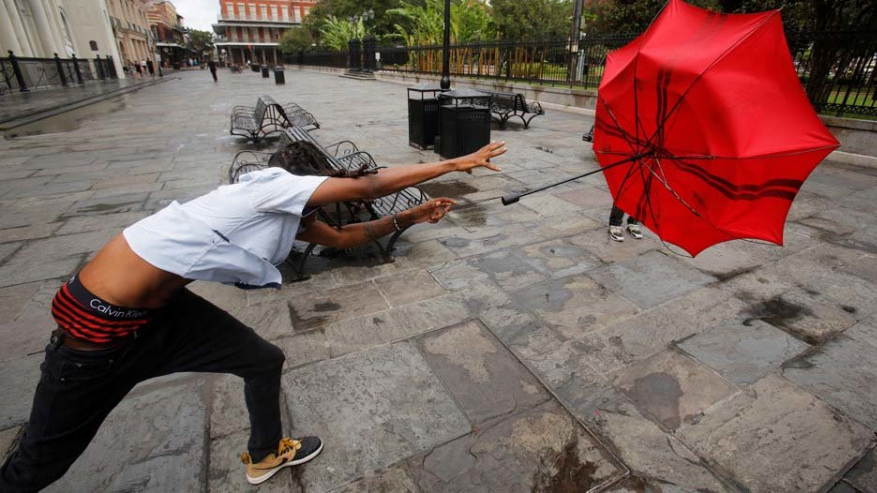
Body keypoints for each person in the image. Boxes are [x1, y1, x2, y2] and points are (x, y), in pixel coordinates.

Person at [0, 140, 508, 490]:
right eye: (328, 180)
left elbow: (344, 239)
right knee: (36, 466)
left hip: (164, 314)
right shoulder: (272, 187)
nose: (333, 188)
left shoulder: (287, 209)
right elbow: (365, 189)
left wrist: (412, 215)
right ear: (311, 178)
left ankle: (265, 454)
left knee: (262, 359)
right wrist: (454, 164)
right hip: (99, 332)